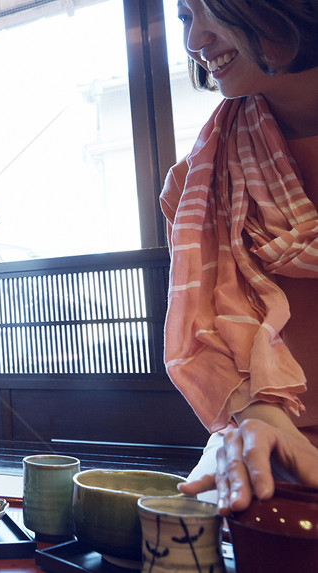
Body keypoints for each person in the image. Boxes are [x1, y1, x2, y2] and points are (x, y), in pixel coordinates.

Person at [163, 0, 318, 515]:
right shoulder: (195, 187)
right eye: (185, 17)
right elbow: (211, 349)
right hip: (267, 452)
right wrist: (256, 414)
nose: (194, 41)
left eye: (210, 9)